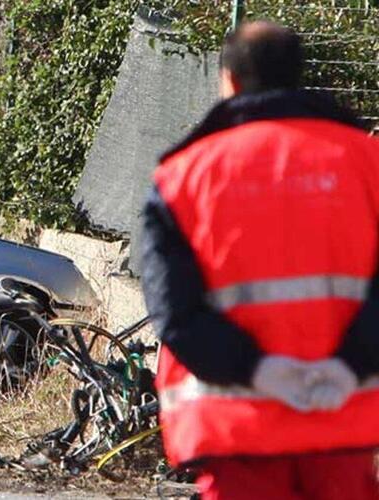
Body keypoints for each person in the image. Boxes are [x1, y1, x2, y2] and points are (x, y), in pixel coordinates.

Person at [140, 21, 379, 500]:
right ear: (298, 76)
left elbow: (173, 312)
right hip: (344, 424)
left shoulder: (181, 178)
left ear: (227, 79)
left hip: (237, 430)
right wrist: (351, 365)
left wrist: (255, 368)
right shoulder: (366, 163)